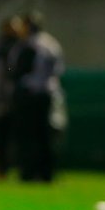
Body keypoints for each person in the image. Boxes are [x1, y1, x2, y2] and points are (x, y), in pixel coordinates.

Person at [9, 11, 65, 183]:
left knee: (33, 136)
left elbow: (15, 70)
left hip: (33, 95)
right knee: (41, 136)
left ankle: (32, 172)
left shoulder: (28, 45)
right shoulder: (49, 44)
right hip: (43, 95)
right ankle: (42, 173)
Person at [0, 16, 20, 179]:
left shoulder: (18, 47)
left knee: (12, 136)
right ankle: (1, 168)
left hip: (14, 97)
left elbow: (13, 70)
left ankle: (15, 168)